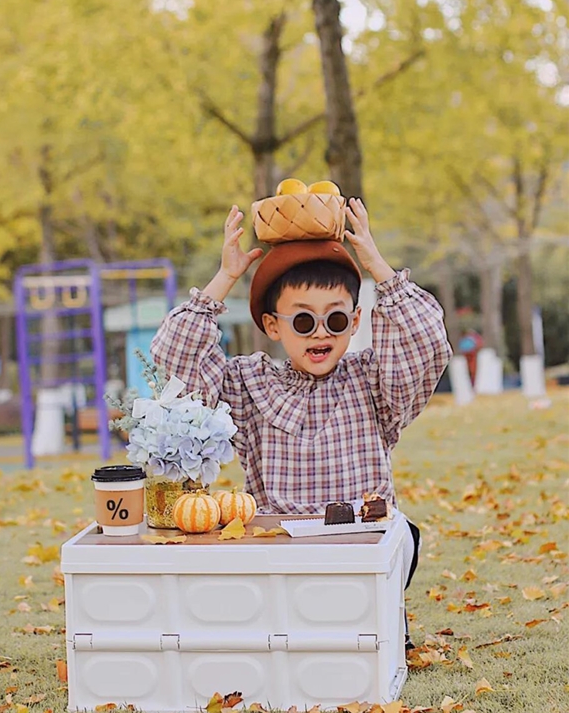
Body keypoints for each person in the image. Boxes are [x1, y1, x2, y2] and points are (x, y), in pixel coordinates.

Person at [151, 197, 452, 644]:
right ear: (273, 326)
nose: (321, 332)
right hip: (280, 553)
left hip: (361, 545)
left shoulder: (373, 380)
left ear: (355, 322)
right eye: (304, 321)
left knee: (400, 536)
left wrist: (375, 264)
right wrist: (225, 278)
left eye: (335, 318)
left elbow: (425, 345)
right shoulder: (249, 384)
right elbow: (176, 366)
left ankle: (381, 620)